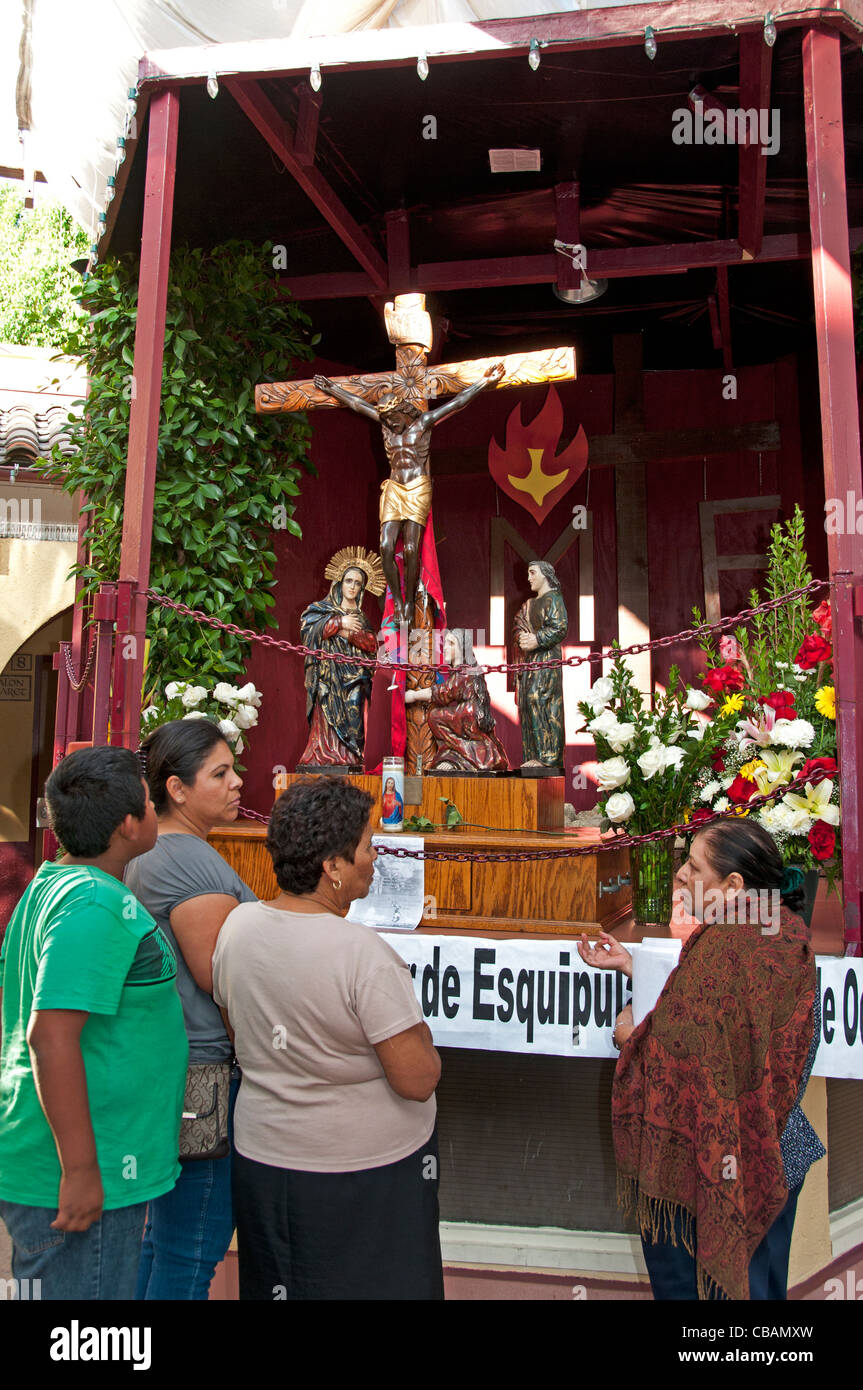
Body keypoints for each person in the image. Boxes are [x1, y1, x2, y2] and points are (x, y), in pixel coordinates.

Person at [212, 776, 444, 1300]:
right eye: (366, 846)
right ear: (332, 867)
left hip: (266, 1165)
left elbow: (241, 1033)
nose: (375, 857)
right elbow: (417, 1078)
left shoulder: (236, 927)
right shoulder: (361, 954)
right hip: (361, 1179)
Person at [577, 818, 824, 1301]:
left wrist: (629, 1037)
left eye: (692, 867)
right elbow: (721, 1020)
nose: (679, 877)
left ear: (733, 885)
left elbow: (689, 1056)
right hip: (777, 1157)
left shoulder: (726, 949)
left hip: (721, 1173)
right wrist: (633, 965)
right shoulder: (775, 927)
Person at [0, 746, 188, 1299]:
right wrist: (80, 1172)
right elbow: (50, 1035)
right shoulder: (95, 906)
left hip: (91, 1156)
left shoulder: (61, 882)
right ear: (130, 825)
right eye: (152, 804)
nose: (157, 811)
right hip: (86, 1168)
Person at [124, 718, 256, 1301]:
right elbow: (220, 980)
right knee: (192, 1248)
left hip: (178, 1068)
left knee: (168, 1240)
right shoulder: (184, 860)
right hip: (203, 1076)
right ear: (176, 789)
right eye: (219, 773)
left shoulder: (163, 854)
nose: (236, 784)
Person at [298, 548, 385, 770]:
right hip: (329, 675)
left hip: (355, 678)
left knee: (355, 715)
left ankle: (350, 755)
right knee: (326, 716)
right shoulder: (322, 609)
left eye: (358, 583)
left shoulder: (361, 617)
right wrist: (339, 623)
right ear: (339, 582)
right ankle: (324, 754)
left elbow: (372, 645)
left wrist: (349, 633)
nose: (353, 586)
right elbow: (308, 631)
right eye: (349, 581)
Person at [405, 628, 508, 773]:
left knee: (435, 717)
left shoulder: (464, 672)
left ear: (462, 648)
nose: (445, 648)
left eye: (451, 644)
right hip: (469, 713)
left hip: (467, 714)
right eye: (446, 643)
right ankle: (458, 755)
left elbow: (442, 693)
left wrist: (414, 695)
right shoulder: (465, 669)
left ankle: (458, 756)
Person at [513, 560, 568, 771]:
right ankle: (533, 754)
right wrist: (522, 639)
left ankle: (549, 756)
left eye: (532, 573)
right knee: (528, 701)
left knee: (542, 699)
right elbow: (518, 624)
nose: (529, 578)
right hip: (530, 662)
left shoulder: (554, 598)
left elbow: (560, 627)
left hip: (547, 659)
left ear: (545, 575)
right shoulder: (529, 604)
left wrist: (537, 639)